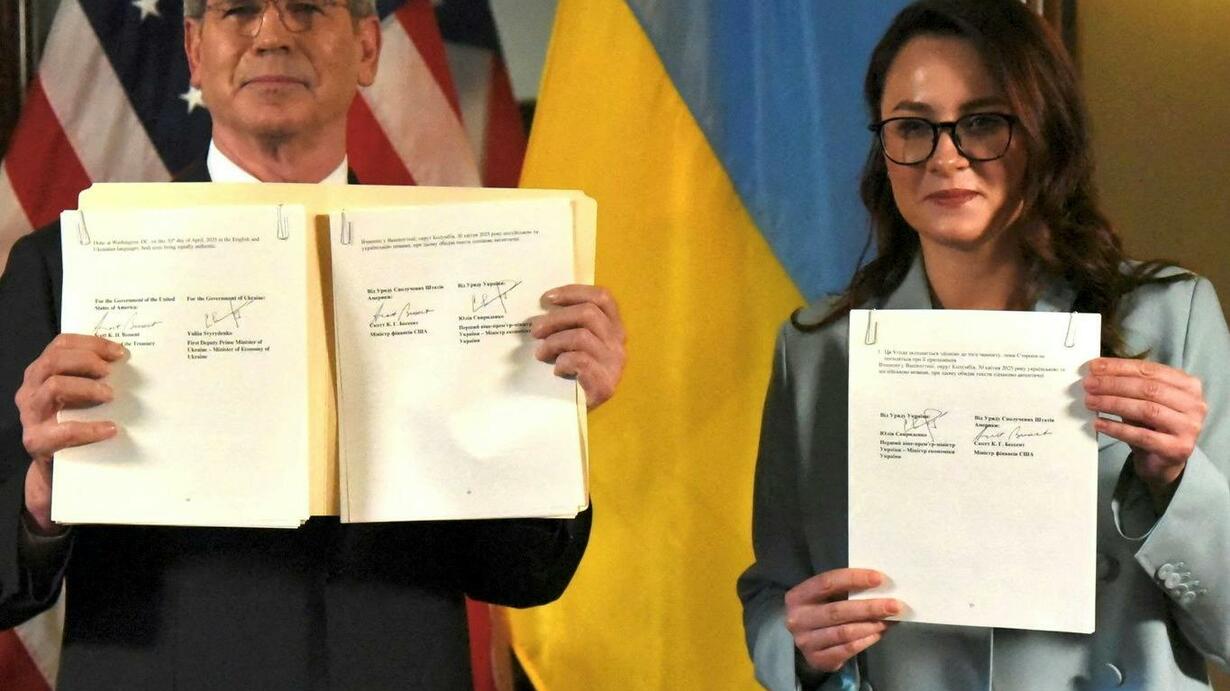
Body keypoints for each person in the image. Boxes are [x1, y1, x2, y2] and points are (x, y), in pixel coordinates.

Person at [0, 1, 626, 689]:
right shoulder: (65, 268)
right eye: (240, 11)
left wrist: (550, 419)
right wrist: (43, 493)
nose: (271, 35)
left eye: (305, 8)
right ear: (195, 50)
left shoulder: (472, 265)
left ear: (367, 48)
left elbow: (524, 573)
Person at [737, 1, 1229, 689]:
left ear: (1044, 131)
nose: (946, 157)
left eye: (983, 122)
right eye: (913, 127)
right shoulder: (818, 350)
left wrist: (1177, 479)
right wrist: (799, 647)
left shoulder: (1169, 320)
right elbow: (773, 593)